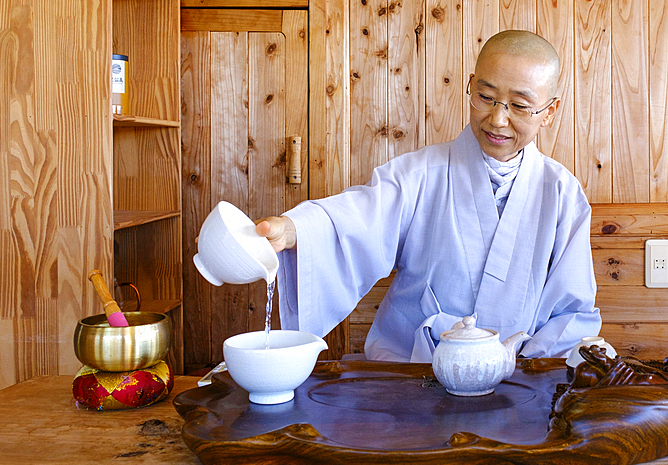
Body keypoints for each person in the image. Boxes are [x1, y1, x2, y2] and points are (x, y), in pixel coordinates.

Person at [255, 29, 601, 362]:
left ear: (549, 112)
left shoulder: (561, 194)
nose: (497, 118)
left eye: (520, 105)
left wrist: (523, 364)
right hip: (414, 369)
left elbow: (572, 311)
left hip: (518, 376)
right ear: (470, 86)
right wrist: (294, 229)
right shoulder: (420, 174)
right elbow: (360, 214)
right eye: (485, 97)